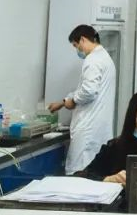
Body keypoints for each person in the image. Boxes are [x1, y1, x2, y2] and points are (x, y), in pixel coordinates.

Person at [48, 24, 117, 175]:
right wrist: (64, 101)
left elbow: (88, 91)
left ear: (83, 40)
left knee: (79, 172)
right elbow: (87, 88)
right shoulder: (104, 57)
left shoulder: (92, 60)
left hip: (88, 129)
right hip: (99, 128)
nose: (77, 50)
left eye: (75, 45)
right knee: (94, 172)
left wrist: (72, 101)